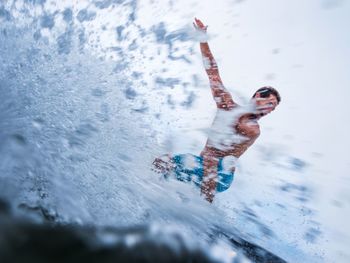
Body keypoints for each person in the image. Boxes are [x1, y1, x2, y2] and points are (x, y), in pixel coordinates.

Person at [153, 18, 281, 203]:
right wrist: (202, 39)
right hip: (200, 165)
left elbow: (219, 158)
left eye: (273, 108)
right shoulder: (227, 104)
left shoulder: (252, 129)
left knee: (215, 161)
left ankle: (205, 208)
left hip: (221, 174)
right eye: (268, 103)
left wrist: (207, 197)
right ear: (257, 96)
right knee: (162, 165)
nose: (269, 110)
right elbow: (213, 72)